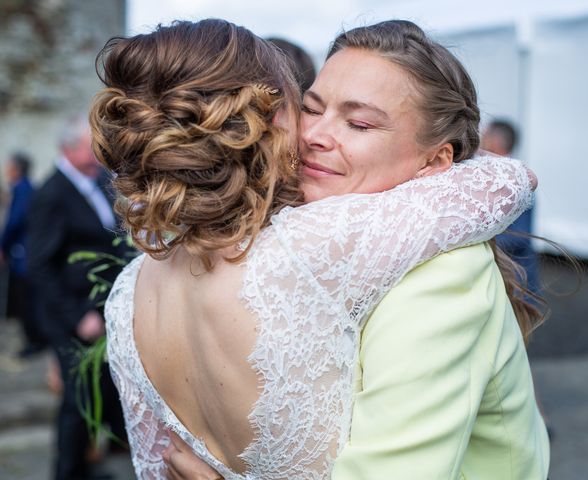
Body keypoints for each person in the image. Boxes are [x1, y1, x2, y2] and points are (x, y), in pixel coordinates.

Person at [92, 19, 541, 479]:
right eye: (310, 109)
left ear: (437, 159)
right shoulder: (308, 251)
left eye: (359, 123)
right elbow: (505, 181)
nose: (313, 136)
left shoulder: (129, 290)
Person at [27, 115, 130, 480]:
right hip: (72, 316)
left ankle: (88, 464)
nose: (99, 152)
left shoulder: (99, 180)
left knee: (100, 390)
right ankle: (67, 472)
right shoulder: (51, 194)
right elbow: (39, 266)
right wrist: (76, 316)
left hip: (103, 308)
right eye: (91, 146)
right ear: (68, 149)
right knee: (76, 399)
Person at [482, 119, 540, 293]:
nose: (480, 138)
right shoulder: (488, 173)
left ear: (495, 142)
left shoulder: (518, 181)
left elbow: (520, 236)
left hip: (517, 281)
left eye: (485, 135)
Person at [0, 151, 46, 355]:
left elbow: (14, 221)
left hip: (23, 254)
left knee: (27, 300)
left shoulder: (22, 190)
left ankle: (34, 340)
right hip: (26, 252)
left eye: (8, 167)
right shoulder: (27, 188)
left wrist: (3, 245)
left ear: (16, 169)